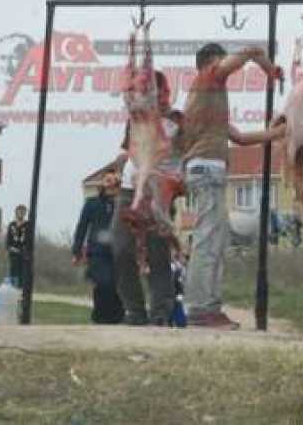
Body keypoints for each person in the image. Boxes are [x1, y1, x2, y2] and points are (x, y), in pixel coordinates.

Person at [179, 43, 282, 329]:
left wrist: (280, 132)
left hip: (206, 170)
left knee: (212, 238)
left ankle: (206, 307)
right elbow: (249, 49)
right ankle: (202, 309)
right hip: (207, 170)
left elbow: (240, 138)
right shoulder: (207, 79)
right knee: (208, 240)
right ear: (211, 62)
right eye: (221, 61)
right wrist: (268, 68)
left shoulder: (206, 100)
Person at [112, 71, 182, 326]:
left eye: (164, 92)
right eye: (155, 93)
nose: (161, 98)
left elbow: (186, 154)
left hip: (158, 191)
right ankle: (134, 310)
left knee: (157, 252)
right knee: (120, 248)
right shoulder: (137, 117)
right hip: (130, 189)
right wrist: (117, 169)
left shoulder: (177, 121)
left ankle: (160, 313)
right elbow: (127, 151)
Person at [72, 167, 124, 324]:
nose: (110, 184)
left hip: (119, 251)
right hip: (97, 252)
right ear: (102, 183)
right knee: (103, 282)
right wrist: (77, 251)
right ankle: (100, 316)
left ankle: (116, 317)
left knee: (117, 285)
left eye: (114, 180)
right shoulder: (92, 203)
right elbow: (82, 227)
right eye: (107, 180)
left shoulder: (122, 204)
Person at [4, 205, 29, 287]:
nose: (21, 213)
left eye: (23, 211)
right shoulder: (12, 225)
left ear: (25, 213)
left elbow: (29, 240)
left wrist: (25, 251)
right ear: (16, 212)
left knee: (23, 274)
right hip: (13, 254)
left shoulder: (28, 225)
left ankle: (21, 292)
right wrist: (10, 249)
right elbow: (8, 241)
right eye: (19, 211)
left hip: (24, 254)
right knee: (13, 274)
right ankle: (12, 289)